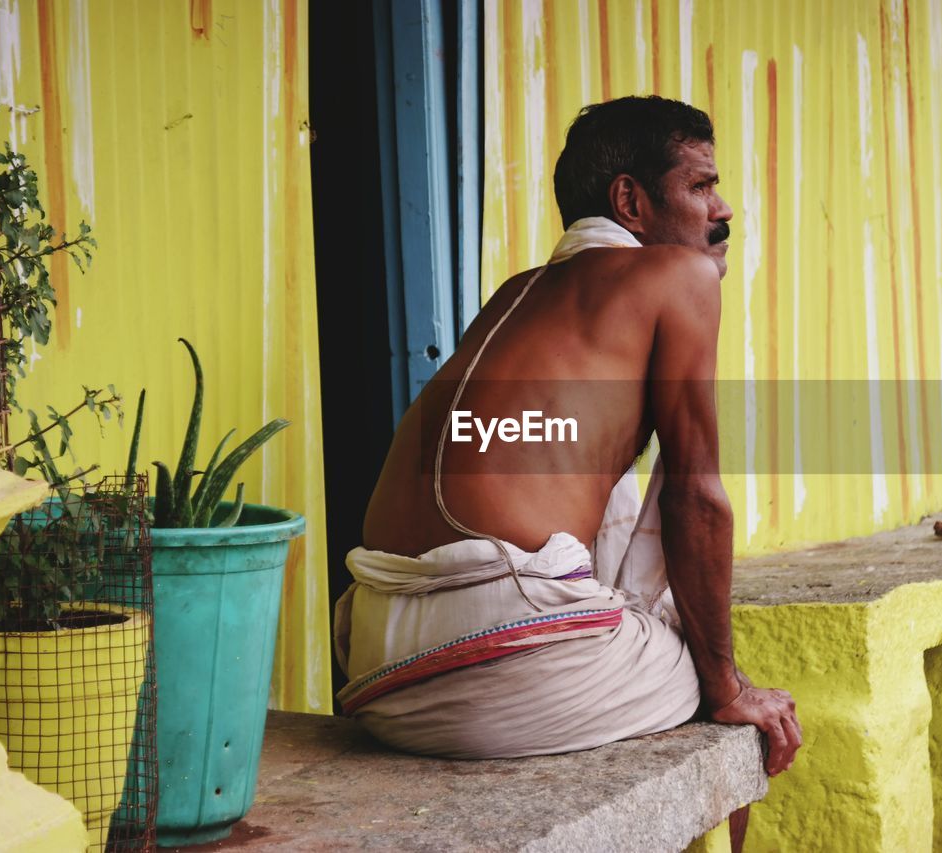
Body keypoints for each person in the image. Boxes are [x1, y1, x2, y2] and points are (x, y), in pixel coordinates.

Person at [333, 97, 801, 790]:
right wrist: (728, 686)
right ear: (629, 201)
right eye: (700, 186)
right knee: (729, 707)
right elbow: (696, 499)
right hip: (501, 651)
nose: (722, 208)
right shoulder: (681, 276)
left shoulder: (517, 293)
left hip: (377, 660)